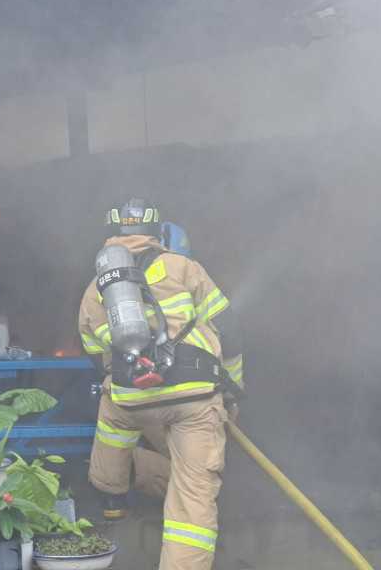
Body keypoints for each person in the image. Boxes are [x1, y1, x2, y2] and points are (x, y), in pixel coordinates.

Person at [78, 198, 244, 570]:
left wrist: (121, 375)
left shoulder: (95, 288)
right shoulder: (184, 267)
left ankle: (111, 490)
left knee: (111, 406)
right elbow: (230, 331)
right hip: (194, 398)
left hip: (132, 398)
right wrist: (233, 390)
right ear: (157, 232)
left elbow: (95, 353)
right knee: (193, 498)